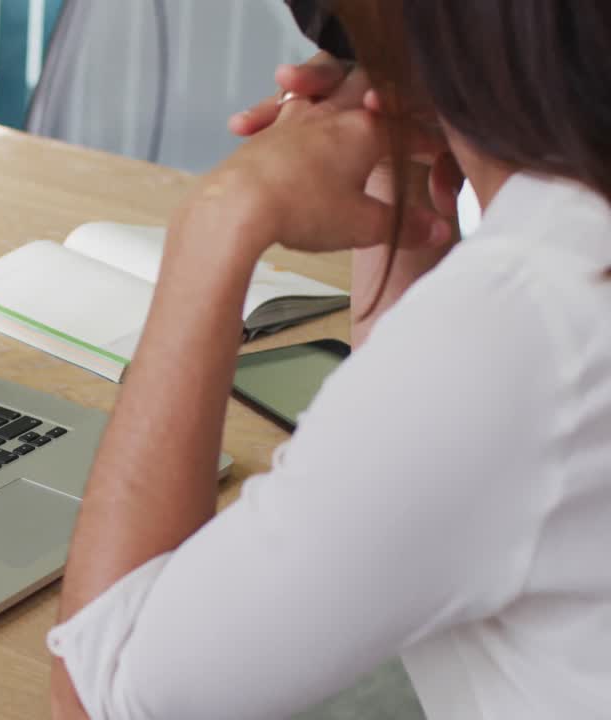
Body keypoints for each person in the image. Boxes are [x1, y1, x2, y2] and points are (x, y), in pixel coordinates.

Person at [48, 2, 611, 718]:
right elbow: (411, 475)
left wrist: (220, 216)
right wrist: (390, 166)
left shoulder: (525, 326)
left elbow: (100, 696)